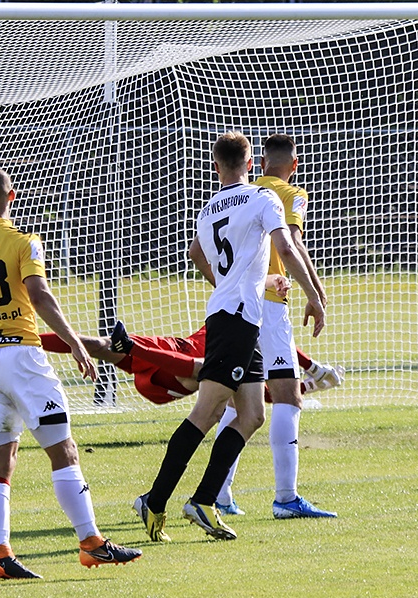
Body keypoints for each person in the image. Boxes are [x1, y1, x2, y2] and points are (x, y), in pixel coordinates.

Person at [0, 166, 142, 580]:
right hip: (22, 359)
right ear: (11, 196)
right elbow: (40, 294)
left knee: (1, 460)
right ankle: (91, 543)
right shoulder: (23, 242)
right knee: (63, 450)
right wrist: (74, 342)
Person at [133, 131, 325, 543]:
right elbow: (288, 248)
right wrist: (314, 296)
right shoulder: (263, 198)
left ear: (216, 167)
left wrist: (233, 284)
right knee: (207, 412)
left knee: (253, 413)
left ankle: (200, 500)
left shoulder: (209, 208)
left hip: (237, 315)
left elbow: (197, 255)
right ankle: (159, 499)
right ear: (251, 163)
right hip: (236, 319)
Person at [211, 133, 340, 519]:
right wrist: (315, 291)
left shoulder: (242, 192)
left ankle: (219, 492)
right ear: (294, 164)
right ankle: (286, 498)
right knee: (287, 395)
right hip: (269, 306)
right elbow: (292, 244)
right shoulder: (291, 194)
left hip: (234, 304)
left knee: (238, 400)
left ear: (260, 164)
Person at [38, 275, 342, 408]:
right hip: (172, 352)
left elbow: (267, 386)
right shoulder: (247, 316)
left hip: (170, 369)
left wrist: (309, 377)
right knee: (100, 345)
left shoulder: (249, 327)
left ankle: (310, 383)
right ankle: (29, 340)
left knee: (218, 380)